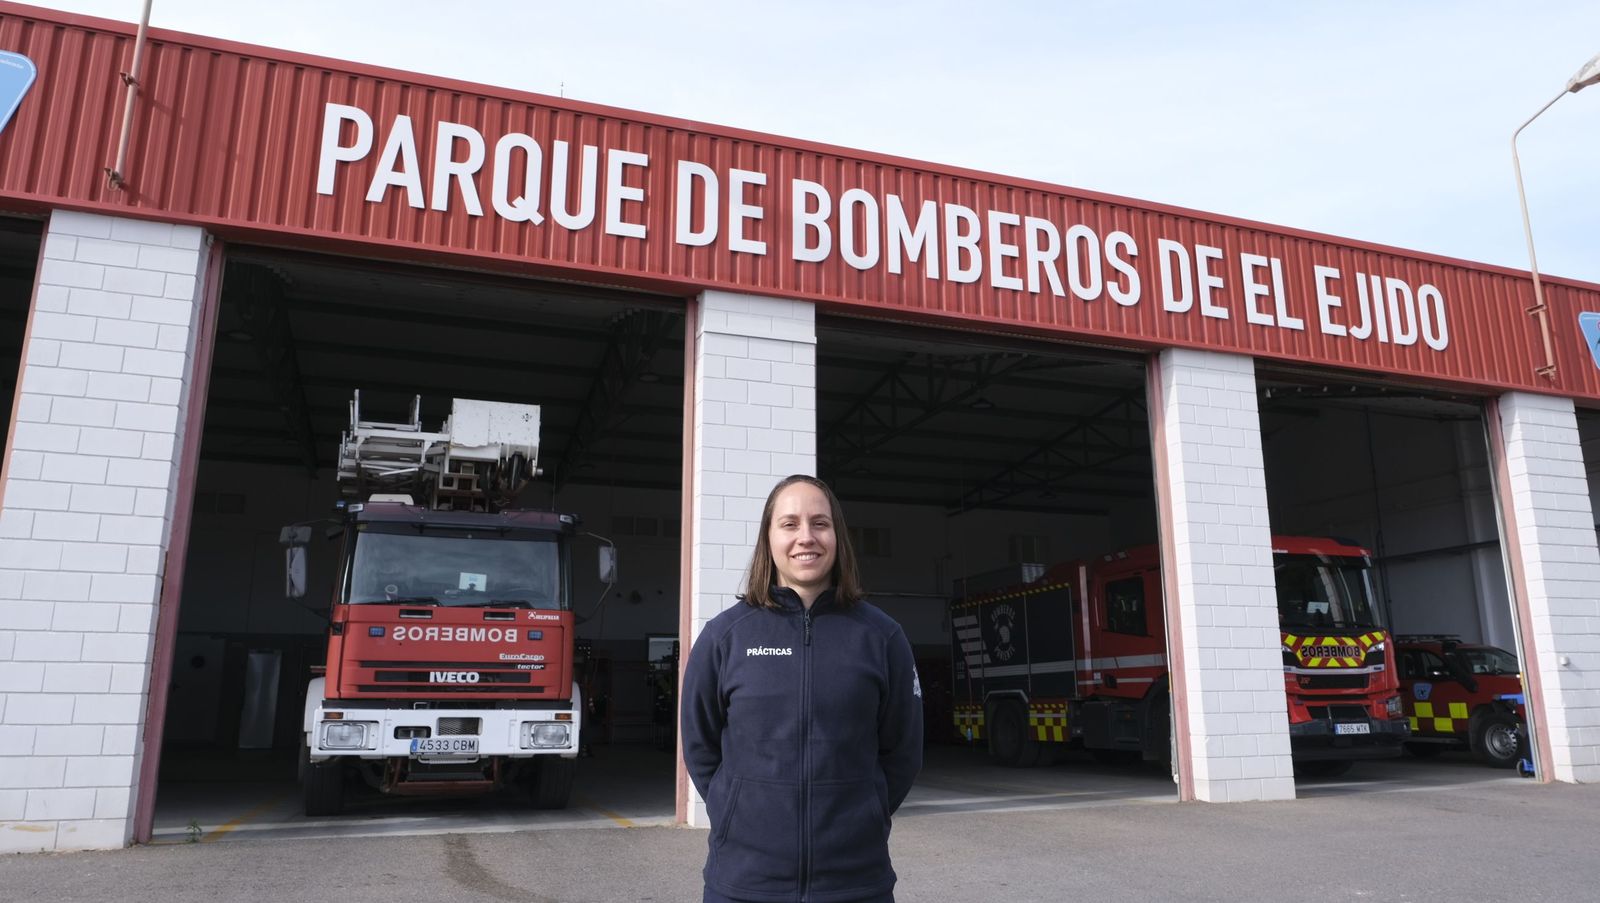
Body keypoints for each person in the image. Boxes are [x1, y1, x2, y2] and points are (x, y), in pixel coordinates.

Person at [681, 474, 923, 903]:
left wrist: (867, 810)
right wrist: (733, 808)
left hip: (855, 881)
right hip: (744, 882)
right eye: (789, 524)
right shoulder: (725, 637)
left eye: (820, 523)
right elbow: (700, 745)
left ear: (837, 536)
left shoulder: (882, 637)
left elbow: (902, 750)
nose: (806, 537)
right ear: (769, 538)